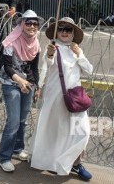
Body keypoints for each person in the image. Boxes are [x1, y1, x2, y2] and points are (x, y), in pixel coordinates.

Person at [30, 17, 93, 181]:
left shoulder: (76, 49)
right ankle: (55, 161)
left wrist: (79, 55)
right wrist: (39, 86)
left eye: (68, 29)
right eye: (61, 29)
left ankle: (75, 163)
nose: (64, 32)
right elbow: (46, 66)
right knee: (57, 132)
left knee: (82, 132)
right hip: (55, 98)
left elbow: (89, 70)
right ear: (57, 32)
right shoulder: (52, 48)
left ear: (73, 33)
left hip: (75, 98)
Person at [0, 10, 41, 173]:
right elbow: (7, 67)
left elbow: (34, 68)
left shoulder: (36, 43)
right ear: (22, 24)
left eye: (35, 23)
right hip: (11, 82)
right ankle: (4, 157)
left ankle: (17, 148)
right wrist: (20, 81)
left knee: (23, 120)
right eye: (28, 23)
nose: (32, 26)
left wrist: (37, 86)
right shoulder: (11, 42)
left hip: (27, 84)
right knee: (13, 121)